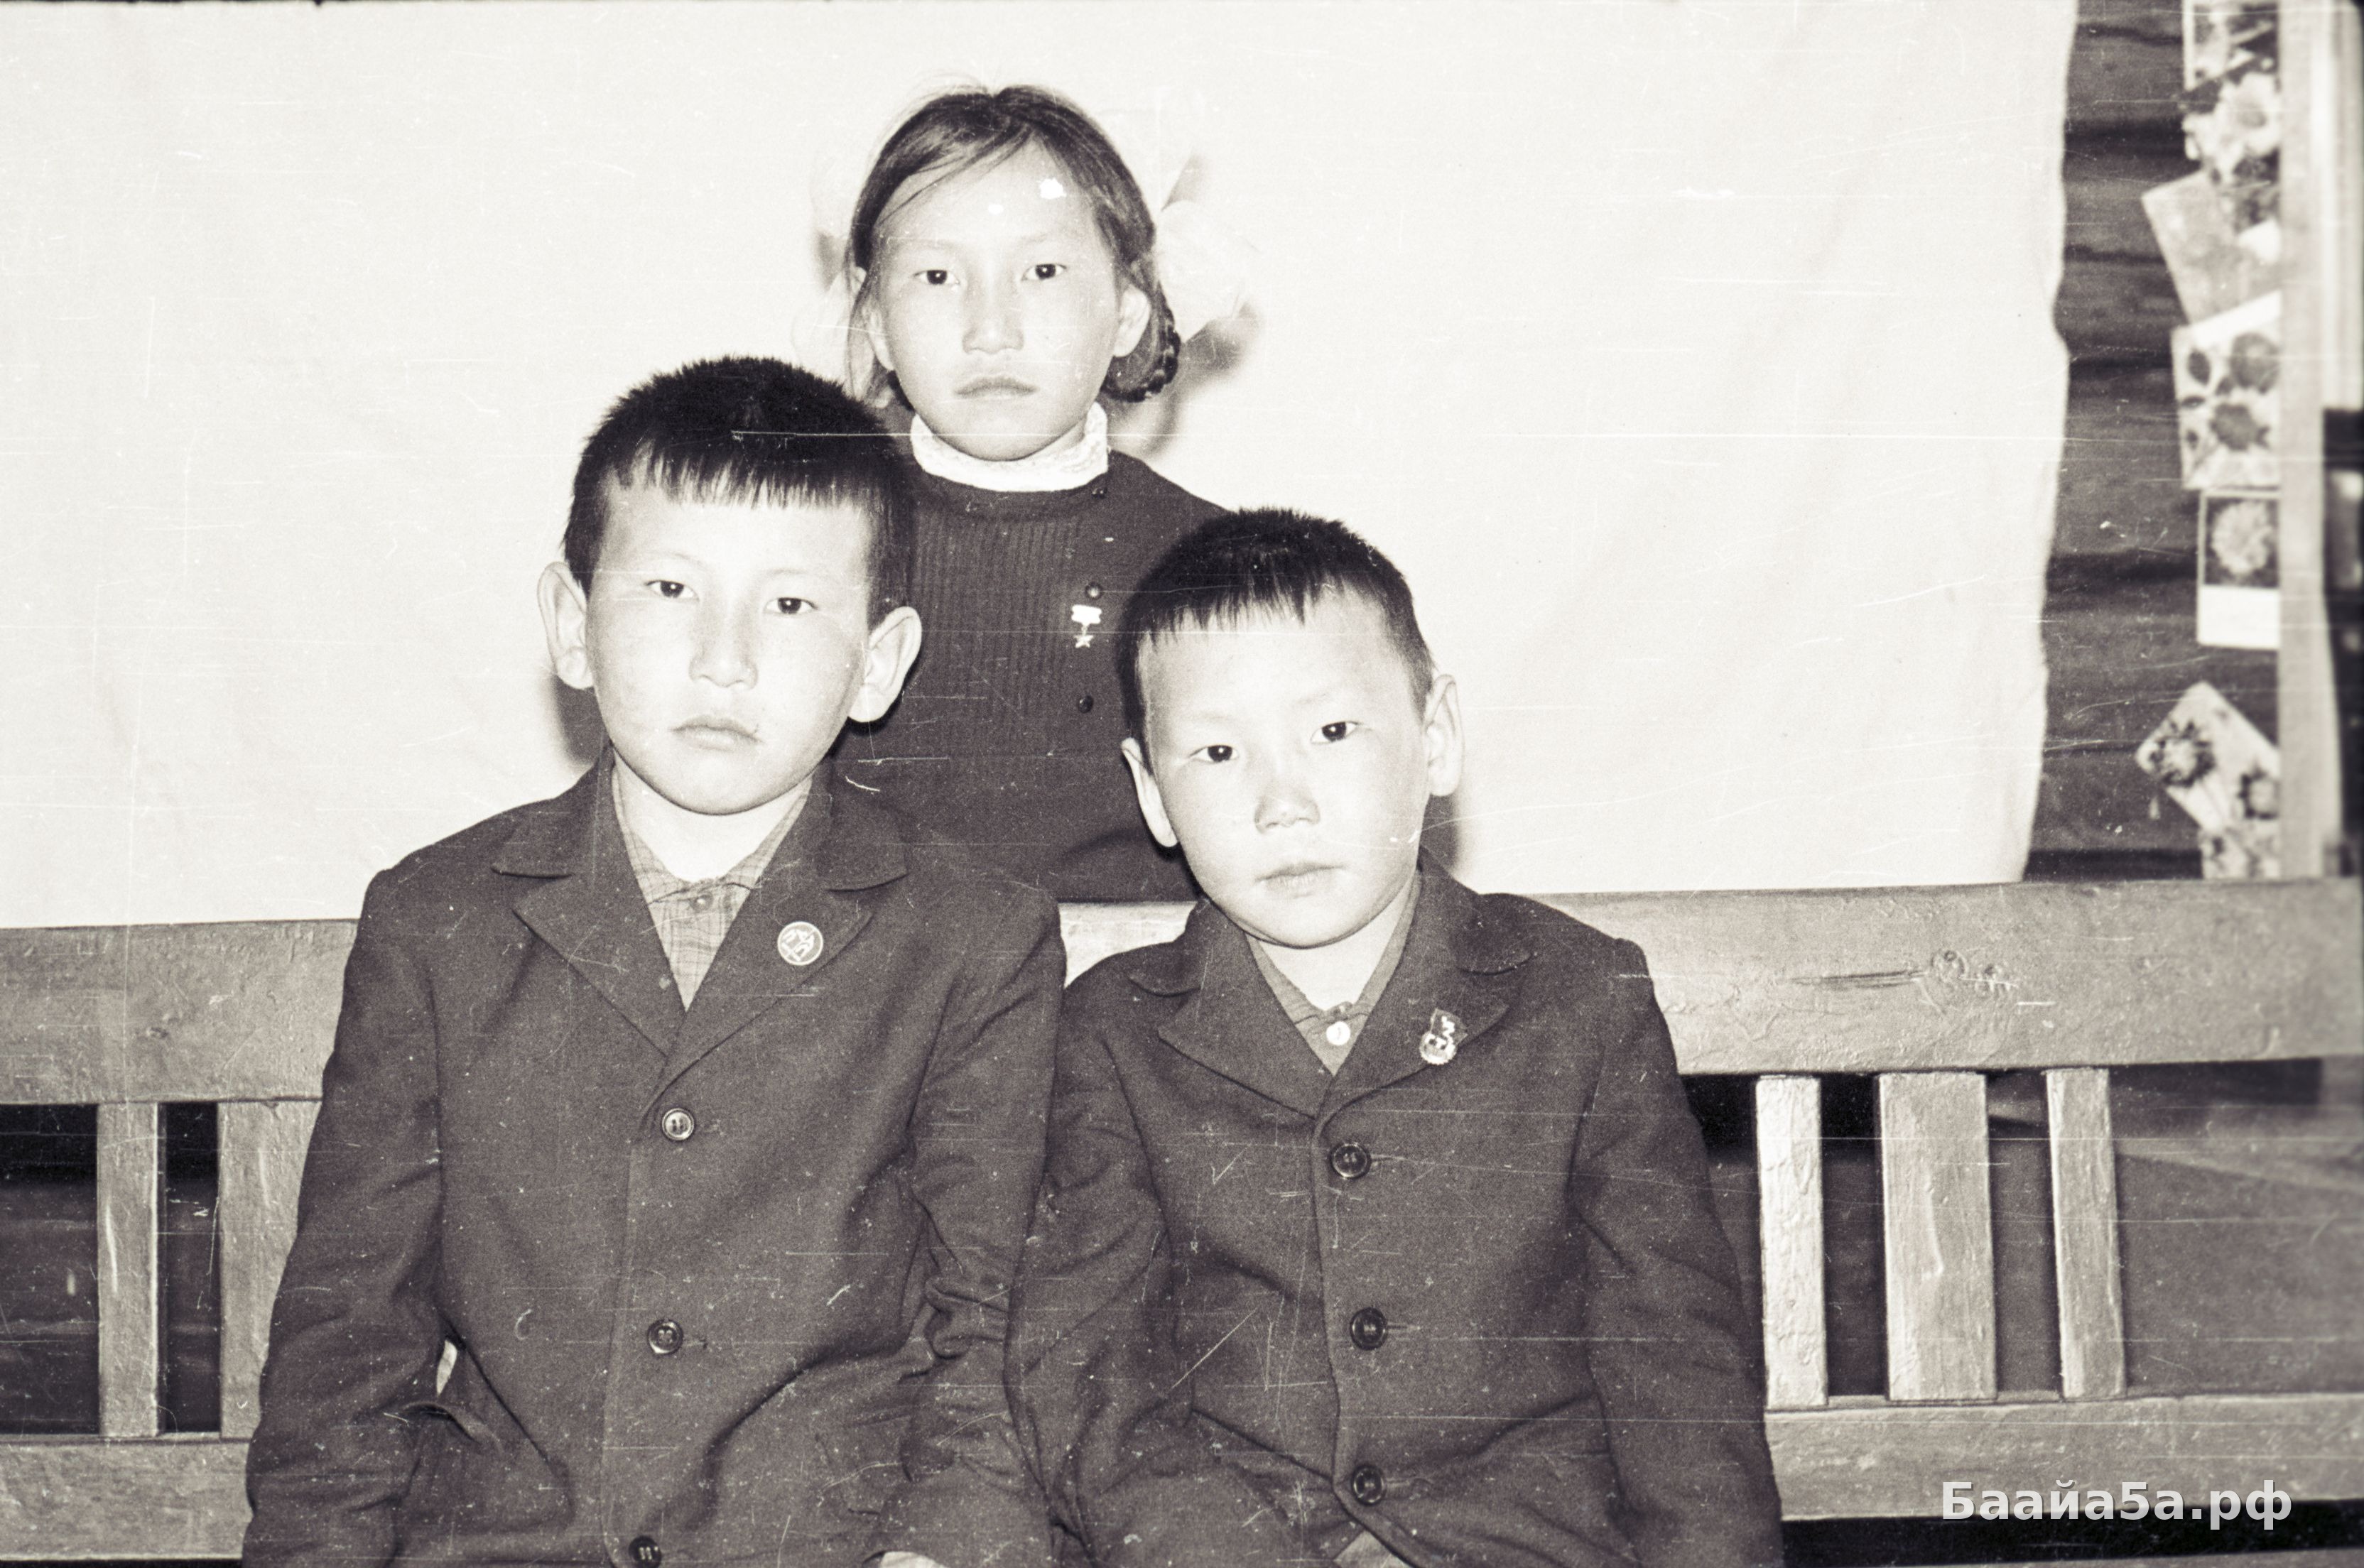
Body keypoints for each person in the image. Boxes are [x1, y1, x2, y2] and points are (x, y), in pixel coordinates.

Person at [243, 357, 1061, 1568]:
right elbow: (350, 1335)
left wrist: (939, 1548)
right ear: (572, 624)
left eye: (792, 605)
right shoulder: (437, 918)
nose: (724, 657)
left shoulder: (972, 935)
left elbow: (988, 1324)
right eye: (672, 588)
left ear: (880, 662)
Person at [1007, 511, 1783, 1568]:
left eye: (1332, 733)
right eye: (1219, 752)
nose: (1282, 803)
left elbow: (1678, 1367)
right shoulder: (1111, 1035)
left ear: (1436, 736)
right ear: (1154, 794)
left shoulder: (1577, 997)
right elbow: (1093, 1386)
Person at [832, 85, 1225, 902]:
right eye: (937, 275)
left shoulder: (1207, 562)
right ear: (875, 322)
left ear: (1127, 312)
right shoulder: (813, 534)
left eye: (1042, 272)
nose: (991, 330)